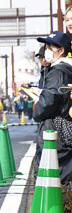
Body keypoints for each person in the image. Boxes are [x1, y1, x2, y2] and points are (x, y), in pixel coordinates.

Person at [31, 31, 72, 184]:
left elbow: (49, 101)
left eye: (50, 47)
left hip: (54, 127)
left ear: (61, 51)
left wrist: (38, 108)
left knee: (50, 173)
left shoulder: (57, 71)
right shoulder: (67, 69)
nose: (46, 50)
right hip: (66, 126)